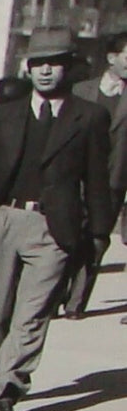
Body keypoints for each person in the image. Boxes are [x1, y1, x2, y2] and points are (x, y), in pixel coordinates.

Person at [0, 27, 113, 411]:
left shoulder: (90, 117)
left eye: (54, 63)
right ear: (27, 68)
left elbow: (97, 179)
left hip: (55, 227)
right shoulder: (4, 113)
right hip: (2, 219)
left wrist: (97, 235)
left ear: (69, 67)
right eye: (38, 64)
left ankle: (8, 392)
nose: (45, 71)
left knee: (32, 315)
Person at [61, 31, 127, 318]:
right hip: (74, 178)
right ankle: (52, 296)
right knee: (64, 237)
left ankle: (76, 303)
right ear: (112, 58)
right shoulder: (80, 91)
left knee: (97, 240)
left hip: (112, 183)